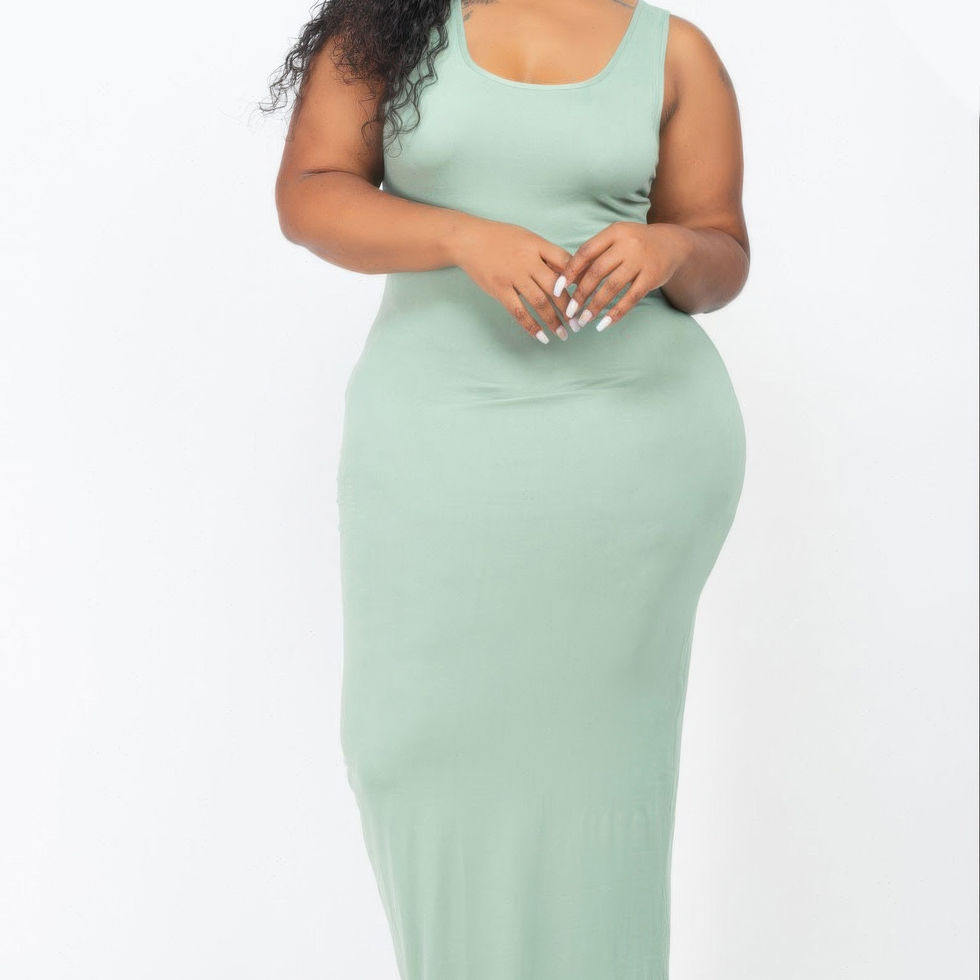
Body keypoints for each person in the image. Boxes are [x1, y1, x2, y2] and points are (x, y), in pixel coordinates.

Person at [264, 0, 748, 976]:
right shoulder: (383, 28)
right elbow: (308, 195)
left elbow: (720, 254)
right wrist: (460, 236)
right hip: (434, 436)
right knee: (404, 748)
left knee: (594, 768)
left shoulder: (674, 51)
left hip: (629, 444)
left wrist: (666, 250)